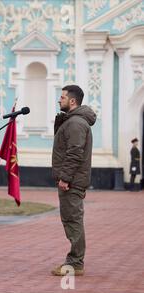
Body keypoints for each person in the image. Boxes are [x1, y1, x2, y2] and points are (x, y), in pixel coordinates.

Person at [51, 85, 96, 277]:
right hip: (74, 180)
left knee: (73, 220)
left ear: (72, 101)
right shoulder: (72, 121)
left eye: (62, 97)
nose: (59, 100)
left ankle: (75, 262)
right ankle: (75, 260)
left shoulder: (76, 123)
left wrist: (65, 178)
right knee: (71, 219)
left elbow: (75, 153)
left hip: (71, 181)